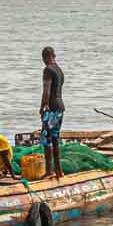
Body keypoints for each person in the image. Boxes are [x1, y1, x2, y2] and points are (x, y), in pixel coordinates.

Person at [40, 46, 66, 180]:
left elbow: (47, 90)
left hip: (51, 108)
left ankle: (49, 171)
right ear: (54, 56)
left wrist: (43, 106)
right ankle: (59, 171)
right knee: (55, 138)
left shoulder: (48, 70)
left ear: (45, 57)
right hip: (60, 107)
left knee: (46, 139)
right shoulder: (59, 70)